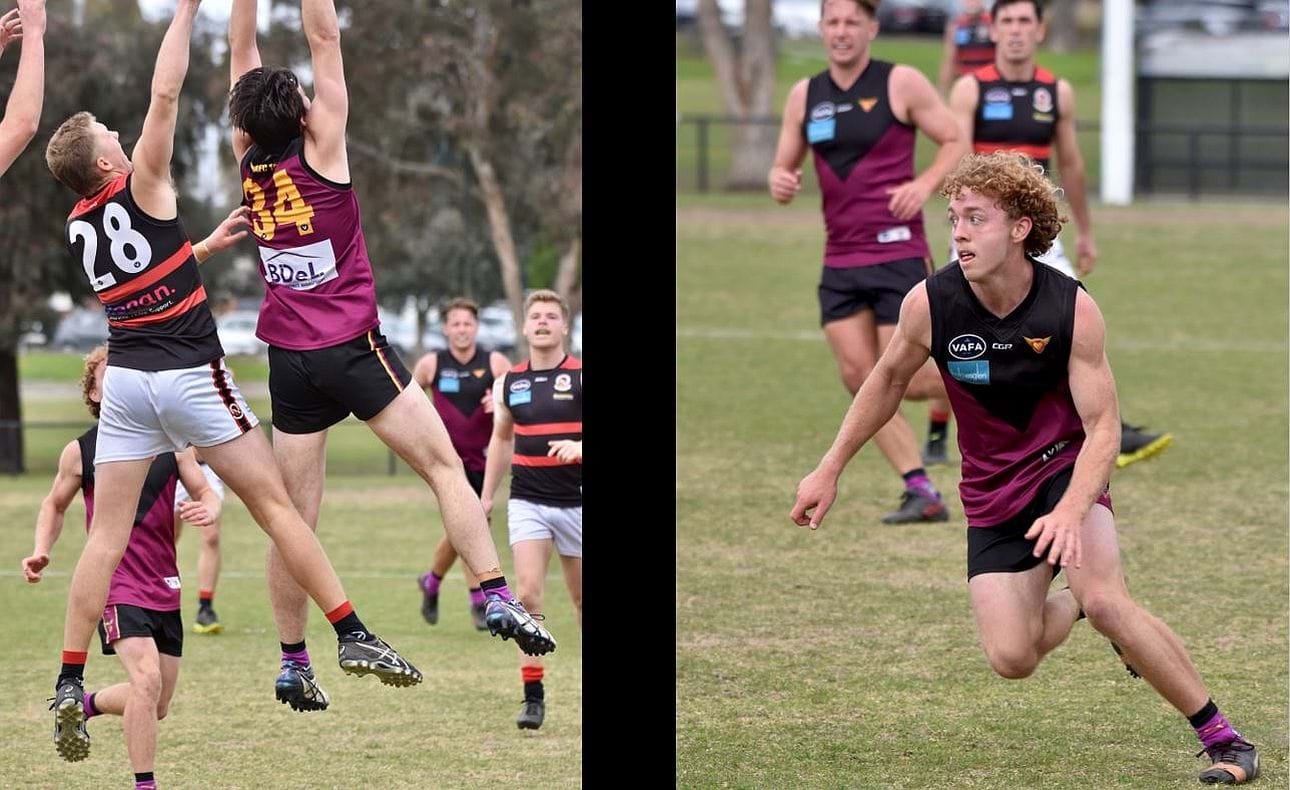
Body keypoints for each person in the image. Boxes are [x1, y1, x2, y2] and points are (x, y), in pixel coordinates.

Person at [790, 152, 1259, 785]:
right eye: (953, 217)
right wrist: (829, 468)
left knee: (1108, 598)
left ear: (1018, 229)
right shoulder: (930, 303)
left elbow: (1104, 429)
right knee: (1013, 656)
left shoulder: (1069, 307)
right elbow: (886, 381)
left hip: (1065, 468)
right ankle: (1080, 605)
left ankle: (1225, 740)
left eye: (975, 219)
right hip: (989, 487)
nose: (957, 232)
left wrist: (1071, 510)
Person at [44, 0, 421, 751]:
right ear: (110, 164)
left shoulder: (80, 224)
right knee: (278, 507)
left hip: (123, 384)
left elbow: (149, 274)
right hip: (187, 375)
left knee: (105, 536)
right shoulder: (144, 180)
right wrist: (187, 10)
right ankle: (352, 631)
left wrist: (206, 247)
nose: (124, 135)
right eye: (110, 137)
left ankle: (67, 677)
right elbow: (164, 93)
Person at [225, 0, 554, 711]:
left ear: (246, 127)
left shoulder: (247, 163)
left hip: (290, 360)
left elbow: (240, 49)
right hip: (353, 347)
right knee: (442, 467)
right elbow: (322, 33)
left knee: (292, 520)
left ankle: (292, 661)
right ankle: (496, 593)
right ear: (306, 114)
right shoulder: (325, 149)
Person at [935, 0, 1172, 468]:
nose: (1017, 30)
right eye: (1008, 21)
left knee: (1075, 318)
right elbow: (959, 162)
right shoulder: (971, 89)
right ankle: (946, 432)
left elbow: (1072, 166)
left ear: (1040, 29)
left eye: (1025, 21)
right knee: (954, 331)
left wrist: (1085, 231)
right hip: (983, 233)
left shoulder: (1055, 92)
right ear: (994, 29)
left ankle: (1100, 429)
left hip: (1038, 235)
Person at [768, 0, 967, 524]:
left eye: (851, 22)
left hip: (897, 249)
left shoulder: (900, 82)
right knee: (861, 377)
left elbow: (953, 138)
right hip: (840, 257)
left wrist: (925, 185)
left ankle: (1013, 377)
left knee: (913, 376)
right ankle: (921, 488)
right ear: (821, 29)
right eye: (832, 22)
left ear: (871, 28)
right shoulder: (804, 96)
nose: (841, 31)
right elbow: (783, 169)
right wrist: (780, 181)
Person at [23, 347, 220, 788]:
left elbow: (206, 492)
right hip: (116, 585)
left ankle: (83, 705)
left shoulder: (173, 444)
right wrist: (41, 549)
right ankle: (144, 784)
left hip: (165, 585)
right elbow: (53, 505)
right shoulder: (81, 451)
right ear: (94, 391)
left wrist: (208, 507)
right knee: (146, 681)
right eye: (110, 374)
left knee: (157, 702)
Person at [481, 290, 582, 731]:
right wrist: (486, 495)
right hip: (528, 501)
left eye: (551, 316)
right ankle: (533, 696)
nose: (542, 322)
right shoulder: (510, 382)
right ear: (524, 327)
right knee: (527, 596)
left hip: (577, 501)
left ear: (565, 326)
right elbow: (502, 440)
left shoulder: (581, 376)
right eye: (535, 316)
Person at [412, 298, 511, 630]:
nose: (462, 329)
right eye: (455, 323)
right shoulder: (431, 364)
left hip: (485, 459)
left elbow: (515, 401)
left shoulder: (495, 362)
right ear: (446, 329)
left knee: (466, 527)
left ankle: (432, 582)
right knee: (474, 523)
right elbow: (407, 404)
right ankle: (478, 601)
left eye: (467, 323)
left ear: (476, 327)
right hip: (447, 463)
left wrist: (499, 401)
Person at [172, 447, 225, 634]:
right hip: (175, 462)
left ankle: (206, 607)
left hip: (206, 468)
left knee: (211, 537)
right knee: (167, 537)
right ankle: (153, 600)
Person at [937, 0, 995, 98]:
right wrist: (942, 92)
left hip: (990, 84)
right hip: (966, 84)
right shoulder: (956, 26)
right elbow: (950, 60)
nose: (972, 2)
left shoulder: (993, 23)